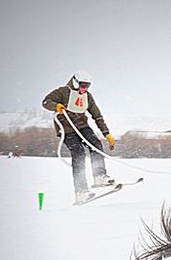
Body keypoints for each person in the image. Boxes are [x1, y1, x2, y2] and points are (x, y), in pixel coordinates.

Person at [42, 71, 116, 204]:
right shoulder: (63, 91)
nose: (84, 89)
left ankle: (99, 176)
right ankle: (81, 192)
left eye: (87, 86)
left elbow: (97, 116)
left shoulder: (87, 96)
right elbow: (46, 101)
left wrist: (107, 134)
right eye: (82, 85)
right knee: (79, 153)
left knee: (96, 145)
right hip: (66, 129)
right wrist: (56, 106)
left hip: (82, 126)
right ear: (76, 82)